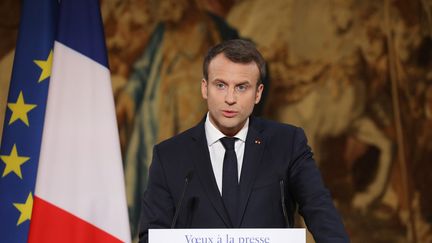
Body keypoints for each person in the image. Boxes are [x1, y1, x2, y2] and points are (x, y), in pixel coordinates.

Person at [138, 39, 350, 243]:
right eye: (220, 85)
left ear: (258, 93)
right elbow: (152, 235)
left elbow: (319, 210)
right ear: (205, 88)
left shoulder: (287, 143)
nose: (230, 98)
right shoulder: (170, 155)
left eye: (241, 87)